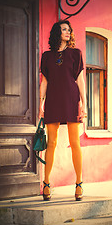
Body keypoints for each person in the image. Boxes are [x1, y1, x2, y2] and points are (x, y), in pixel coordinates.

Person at [39, 20, 86, 201]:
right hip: (53, 101)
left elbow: (80, 80)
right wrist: (41, 103)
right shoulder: (47, 56)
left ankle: (79, 183)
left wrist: (84, 103)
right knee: (51, 143)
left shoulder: (76, 54)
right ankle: (47, 183)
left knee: (75, 143)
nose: (68, 32)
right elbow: (45, 82)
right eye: (64, 29)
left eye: (69, 29)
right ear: (56, 33)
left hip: (71, 100)